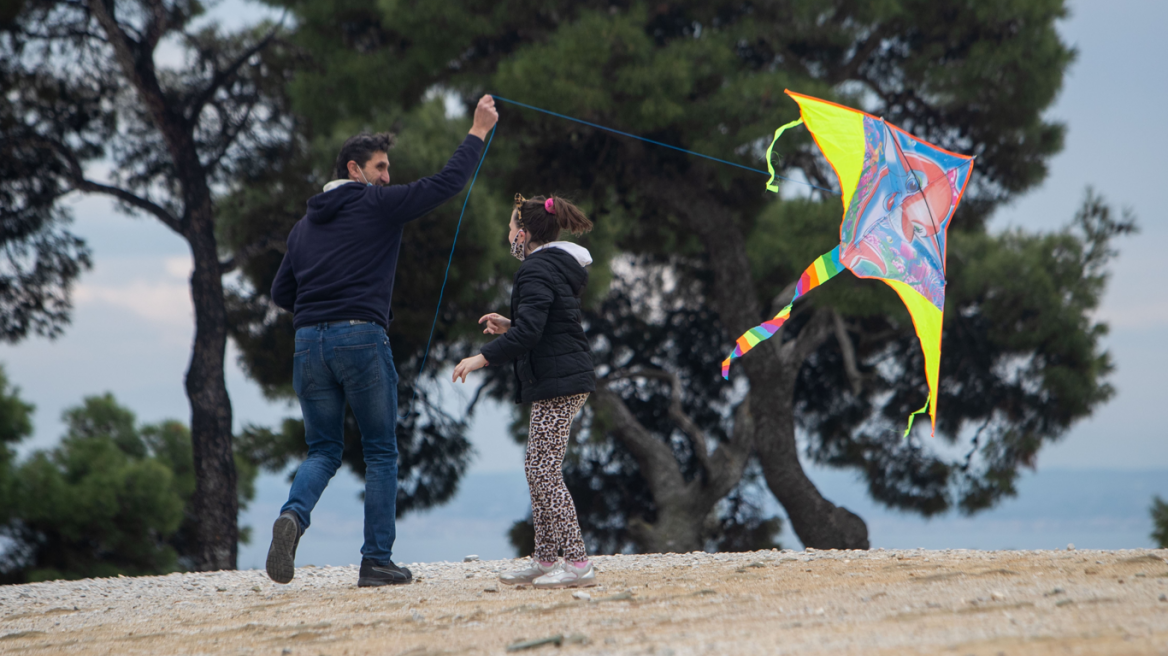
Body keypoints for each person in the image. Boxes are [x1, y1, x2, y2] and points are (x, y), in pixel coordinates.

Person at [266, 95, 499, 588]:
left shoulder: (303, 226)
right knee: (380, 452)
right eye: (381, 167)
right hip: (360, 338)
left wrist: (320, 307)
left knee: (323, 450)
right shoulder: (374, 203)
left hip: (308, 343)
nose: (388, 177)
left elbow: (281, 292)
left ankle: (293, 516)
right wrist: (477, 132)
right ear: (356, 170)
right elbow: (446, 184)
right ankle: (376, 561)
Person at [452, 193, 597, 589]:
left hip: (559, 381)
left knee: (542, 469)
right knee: (538, 468)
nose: (508, 234)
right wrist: (510, 323)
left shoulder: (535, 270)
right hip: (560, 377)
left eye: (511, 228)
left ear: (525, 234)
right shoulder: (552, 267)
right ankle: (547, 559)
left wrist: (479, 358)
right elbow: (545, 323)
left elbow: (532, 334)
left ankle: (578, 563)